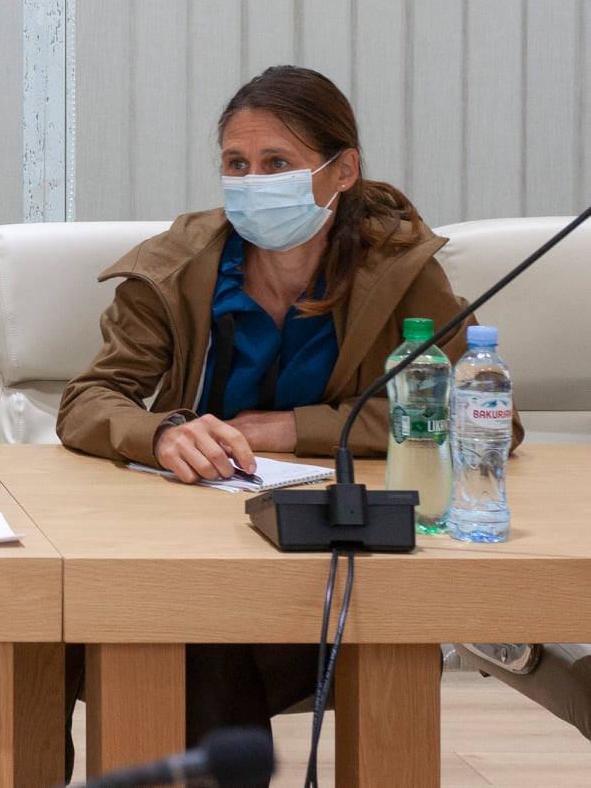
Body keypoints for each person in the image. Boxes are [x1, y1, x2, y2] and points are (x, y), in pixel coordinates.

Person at [55, 65, 523, 755]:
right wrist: (159, 434)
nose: (253, 182)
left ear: (342, 171)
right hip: (188, 542)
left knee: (193, 645)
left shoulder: (396, 269)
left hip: (322, 550)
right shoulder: (176, 267)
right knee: (150, 631)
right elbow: (88, 399)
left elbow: (482, 417)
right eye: (236, 164)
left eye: (276, 163)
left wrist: (293, 427)